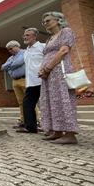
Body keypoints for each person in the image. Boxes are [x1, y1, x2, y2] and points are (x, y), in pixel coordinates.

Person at [38, 12, 79, 144]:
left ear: (58, 20)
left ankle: (70, 134)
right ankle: (56, 131)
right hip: (47, 73)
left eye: (48, 20)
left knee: (62, 99)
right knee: (51, 101)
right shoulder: (49, 39)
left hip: (59, 71)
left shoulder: (66, 32)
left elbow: (63, 51)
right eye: (44, 22)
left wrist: (48, 67)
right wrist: (42, 69)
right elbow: (45, 55)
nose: (45, 23)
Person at [17, 28, 45, 133]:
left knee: (44, 104)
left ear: (34, 36)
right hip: (31, 82)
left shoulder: (42, 47)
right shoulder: (26, 51)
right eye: (24, 35)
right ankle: (31, 127)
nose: (25, 37)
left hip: (42, 81)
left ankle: (50, 127)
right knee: (27, 103)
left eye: (28, 35)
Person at [1, 41, 26, 128]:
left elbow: (19, 62)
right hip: (15, 81)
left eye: (10, 49)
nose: (9, 51)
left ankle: (36, 120)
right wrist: (10, 66)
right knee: (21, 102)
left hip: (24, 79)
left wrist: (9, 66)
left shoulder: (24, 52)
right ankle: (23, 120)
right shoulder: (11, 58)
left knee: (29, 101)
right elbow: (3, 67)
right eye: (8, 50)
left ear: (16, 46)